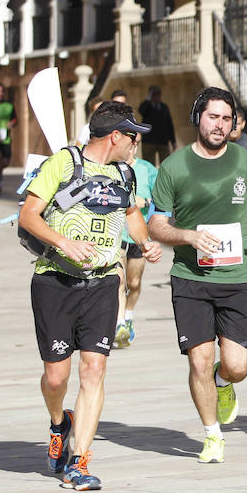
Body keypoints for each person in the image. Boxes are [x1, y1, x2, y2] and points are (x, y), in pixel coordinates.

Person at [18, 101, 162, 489]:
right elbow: (28, 215)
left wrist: (145, 242)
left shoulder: (125, 174)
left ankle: (78, 462)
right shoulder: (61, 165)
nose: (136, 145)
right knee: (55, 377)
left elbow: (130, 212)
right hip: (55, 281)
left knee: (94, 370)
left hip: (102, 282)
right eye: (133, 137)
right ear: (115, 136)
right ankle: (58, 423)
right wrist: (63, 241)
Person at [148, 87, 247, 464]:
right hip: (190, 278)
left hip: (238, 277)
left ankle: (223, 383)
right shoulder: (174, 166)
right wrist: (188, 235)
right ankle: (211, 434)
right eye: (213, 116)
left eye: (226, 118)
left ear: (235, 124)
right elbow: (156, 225)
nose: (219, 125)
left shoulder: (246, 162)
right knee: (198, 360)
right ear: (198, 117)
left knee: (237, 365)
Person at [113, 132, 158, 349]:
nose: (133, 147)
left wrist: (146, 200)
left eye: (136, 143)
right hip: (118, 234)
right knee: (119, 282)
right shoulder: (112, 167)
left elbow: (162, 197)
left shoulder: (147, 169)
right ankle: (120, 324)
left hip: (140, 236)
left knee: (134, 283)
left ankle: (128, 314)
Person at [138, 85, 176, 165]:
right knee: (149, 165)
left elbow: (169, 125)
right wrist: (148, 98)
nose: (157, 96)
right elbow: (141, 110)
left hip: (163, 141)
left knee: (166, 164)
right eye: (154, 94)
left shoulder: (164, 107)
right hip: (149, 141)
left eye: (158, 94)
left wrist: (173, 141)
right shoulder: (146, 106)